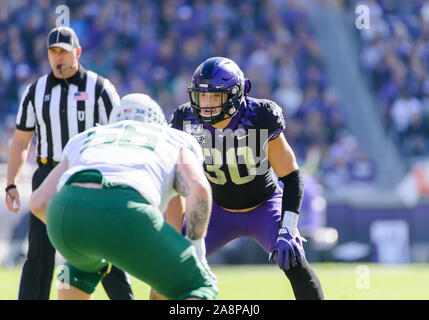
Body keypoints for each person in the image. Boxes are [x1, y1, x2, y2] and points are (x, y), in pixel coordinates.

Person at [28, 93, 217, 300]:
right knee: (197, 286)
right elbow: (198, 188)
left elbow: (38, 203)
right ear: (159, 122)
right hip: (126, 210)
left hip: (64, 213)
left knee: (81, 269)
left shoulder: (87, 136)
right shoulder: (173, 138)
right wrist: (194, 247)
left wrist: (84, 228)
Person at [166, 57, 324, 300]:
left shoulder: (260, 116)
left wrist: (289, 227)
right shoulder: (185, 121)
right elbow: (176, 184)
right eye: (202, 96)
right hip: (214, 210)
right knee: (170, 266)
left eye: (215, 97)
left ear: (236, 95)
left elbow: (291, 176)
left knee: (293, 261)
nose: (206, 105)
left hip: (264, 207)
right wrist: (173, 235)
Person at [5, 26, 133, 300]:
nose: (58, 57)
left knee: (105, 245)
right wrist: (11, 182)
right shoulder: (35, 91)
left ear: (78, 52)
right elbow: (20, 141)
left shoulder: (100, 88)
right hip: (48, 173)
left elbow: (121, 136)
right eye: (53, 52)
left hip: (89, 175)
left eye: (63, 51)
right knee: (39, 251)